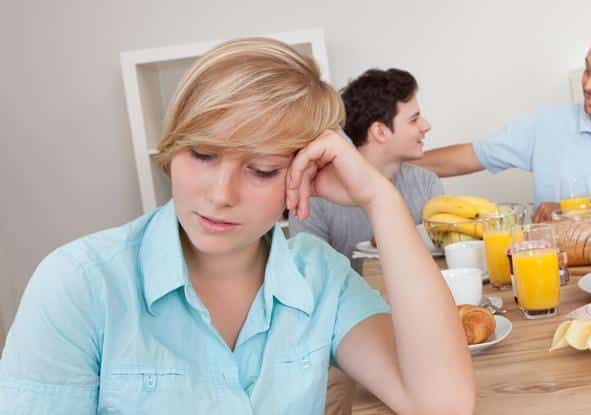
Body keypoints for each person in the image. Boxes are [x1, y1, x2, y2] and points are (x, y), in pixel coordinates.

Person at [0, 38, 475, 414]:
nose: (221, 194)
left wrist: (378, 197)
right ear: (172, 150)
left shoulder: (320, 278)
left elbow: (442, 402)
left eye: (262, 169)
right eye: (202, 155)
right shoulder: (78, 285)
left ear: (301, 171)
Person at [413, 25, 591, 222]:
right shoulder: (547, 124)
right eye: (588, 70)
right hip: (557, 270)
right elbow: (470, 156)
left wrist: (577, 210)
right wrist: (394, 162)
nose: (589, 84)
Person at [289, 68, 443, 272]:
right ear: (380, 131)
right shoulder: (314, 197)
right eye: (414, 119)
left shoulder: (426, 183)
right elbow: (307, 275)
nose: (426, 126)